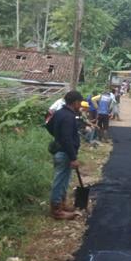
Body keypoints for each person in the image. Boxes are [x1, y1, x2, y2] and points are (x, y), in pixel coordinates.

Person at [49, 91, 83, 220]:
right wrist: (73, 158)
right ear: (75, 102)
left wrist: (57, 137)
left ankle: (62, 204)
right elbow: (67, 138)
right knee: (60, 181)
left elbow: (49, 126)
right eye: (79, 103)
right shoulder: (68, 117)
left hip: (63, 151)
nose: (80, 105)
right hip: (64, 153)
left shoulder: (59, 113)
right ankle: (56, 210)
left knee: (65, 180)